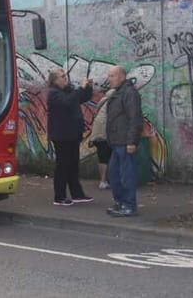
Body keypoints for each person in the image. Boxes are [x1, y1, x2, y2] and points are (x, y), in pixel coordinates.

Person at [47, 68, 94, 206]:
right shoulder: (54, 94)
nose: (65, 78)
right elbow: (68, 101)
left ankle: (77, 194)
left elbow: (81, 98)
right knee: (62, 166)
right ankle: (59, 196)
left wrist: (88, 88)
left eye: (65, 76)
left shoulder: (67, 91)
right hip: (62, 135)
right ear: (55, 80)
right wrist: (80, 88)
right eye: (62, 77)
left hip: (73, 134)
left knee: (73, 165)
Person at [105, 65, 144, 217]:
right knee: (114, 174)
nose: (110, 79)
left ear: (122, 76)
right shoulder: (118, 92)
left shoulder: (129, 93)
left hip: (124, 142)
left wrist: (132, 141)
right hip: (116, 141)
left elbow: (135, 118)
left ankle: (129, 205)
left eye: (112, 76)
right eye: (109, 76)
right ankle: (120, 202)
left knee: (127, 175)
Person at [88, 85, 115, 190]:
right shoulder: (114, 101)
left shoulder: (104, 100)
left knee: (103, 157)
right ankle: (105, 180)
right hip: (105, 133)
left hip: (98, 133)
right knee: (108, 157)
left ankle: (103, 180)